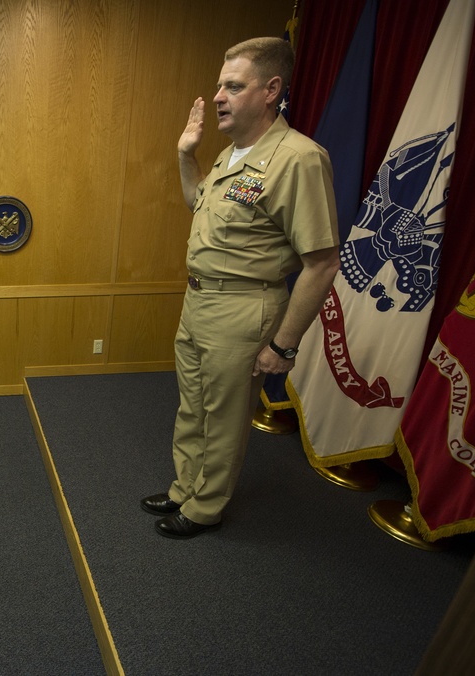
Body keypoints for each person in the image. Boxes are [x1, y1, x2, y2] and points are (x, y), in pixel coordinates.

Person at [140, 37, 340, 539]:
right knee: (192, 405)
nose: (220, 96)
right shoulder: (233, 154)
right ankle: (186, 486)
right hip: (200, 301)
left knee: (224, 417)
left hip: (245, 306)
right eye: (219, 85)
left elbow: (321, 263)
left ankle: (204, 508)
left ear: (272, 90)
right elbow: (200, 207)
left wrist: (283, 345)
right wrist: (187, 155)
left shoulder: (299, 159)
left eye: (234, 85)